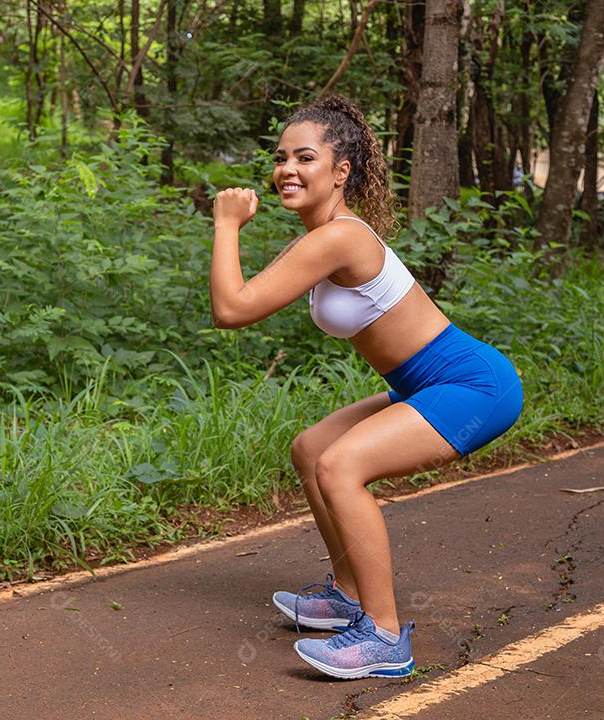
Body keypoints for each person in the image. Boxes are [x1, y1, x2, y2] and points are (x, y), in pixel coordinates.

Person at [209, 94, 524, 679]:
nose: (287, 170)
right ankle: (348, 593)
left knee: (341, 466)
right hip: (424, 383)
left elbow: (232, 309)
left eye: (306, 157)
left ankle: (383, 636)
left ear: (342, 169)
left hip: (473, 383)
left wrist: (226, 224)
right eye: (281, 158)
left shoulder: (341, 237)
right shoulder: (325, 235)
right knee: (311, 450)